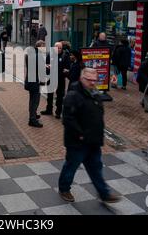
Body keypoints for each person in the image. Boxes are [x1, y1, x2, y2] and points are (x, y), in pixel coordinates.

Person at [58, 68, 121, 204]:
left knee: (96, 169)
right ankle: (64, 188)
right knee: (71, 166)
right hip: (77, 142)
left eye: (94, 80)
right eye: (89, 79)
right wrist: (80, 134)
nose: (92, 82)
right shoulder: (73, 95)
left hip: (93, 141)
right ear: (82, 79)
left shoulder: (95, 93)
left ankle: (104, 193)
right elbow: (68, 119)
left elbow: (98, 116)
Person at [41, 41, 71, 119]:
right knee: (50, 94)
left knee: (60, 96)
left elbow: (67, 68)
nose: (59, 49)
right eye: (57, 48)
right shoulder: (50, 55)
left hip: (60, 79)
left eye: (60, 48)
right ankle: (49, 110)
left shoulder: (65, 56)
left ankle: (58, 112)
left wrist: (64, 73)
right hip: (51, 78)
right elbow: (46, 65)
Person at [25, 40, 45, 128]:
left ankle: (33, 115)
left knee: (32, 99)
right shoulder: (38, 56)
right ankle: (32, 120)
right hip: (35, 82)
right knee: (35, 101)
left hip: (30, 80)